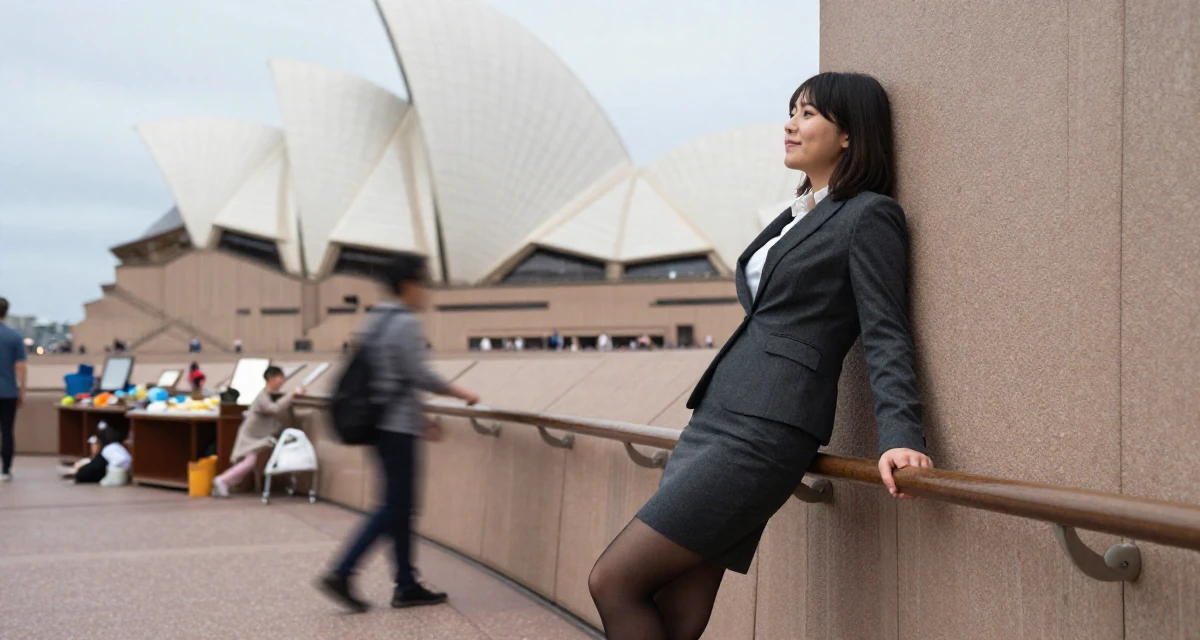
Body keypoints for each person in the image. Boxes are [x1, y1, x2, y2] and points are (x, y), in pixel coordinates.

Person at [586, 72, 935, 639]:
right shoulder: (799, 213)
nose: (790, 124)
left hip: (766, 429)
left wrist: (901, 434)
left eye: (808, 113)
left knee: (614, 580)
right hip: (715, 419)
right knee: (678, 611)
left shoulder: (869, 215)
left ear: (849, 135)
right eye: (791, 110)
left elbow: (886, 330)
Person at [318, 254, 479, 613]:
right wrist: (460, 392)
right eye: (422, 283)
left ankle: (406, 583)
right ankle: (342, 571)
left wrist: (420, 418)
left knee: (400, 506)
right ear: (408, 285)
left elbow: (391, 376)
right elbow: (417, 374)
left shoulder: (376, 319)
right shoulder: (404, 323)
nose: (426, 291)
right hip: (396, 428)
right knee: (395, 507)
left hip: (381, 424)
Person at [211, 366, 303, 497]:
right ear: (271, 379)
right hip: (251, 437)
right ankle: (222, 480)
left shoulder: (265, 395)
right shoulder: (262, 397)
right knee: (249, 463)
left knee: (248, 463)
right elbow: (275, 409)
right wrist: (291, 395)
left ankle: (224, 482)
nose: (282, 381)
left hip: (256, 436)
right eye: (280, 378)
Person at [0, 297, 26, 482]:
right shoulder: (15, 336)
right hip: (8, 392)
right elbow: (21, 366)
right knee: (7, 431)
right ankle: (6, 470)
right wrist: (22, 391)